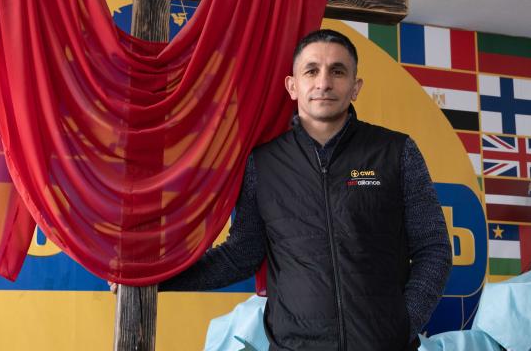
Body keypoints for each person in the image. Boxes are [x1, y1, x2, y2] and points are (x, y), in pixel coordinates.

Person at [116, 29, 453, 351]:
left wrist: (403, 323)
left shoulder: (396, 151)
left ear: (355, 87)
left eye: (337, 71)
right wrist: (156, 278)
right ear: (292, 86)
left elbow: (434, 247)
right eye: (311, 71)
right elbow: (242, 254)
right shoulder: (263, 163)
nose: (323, 82)